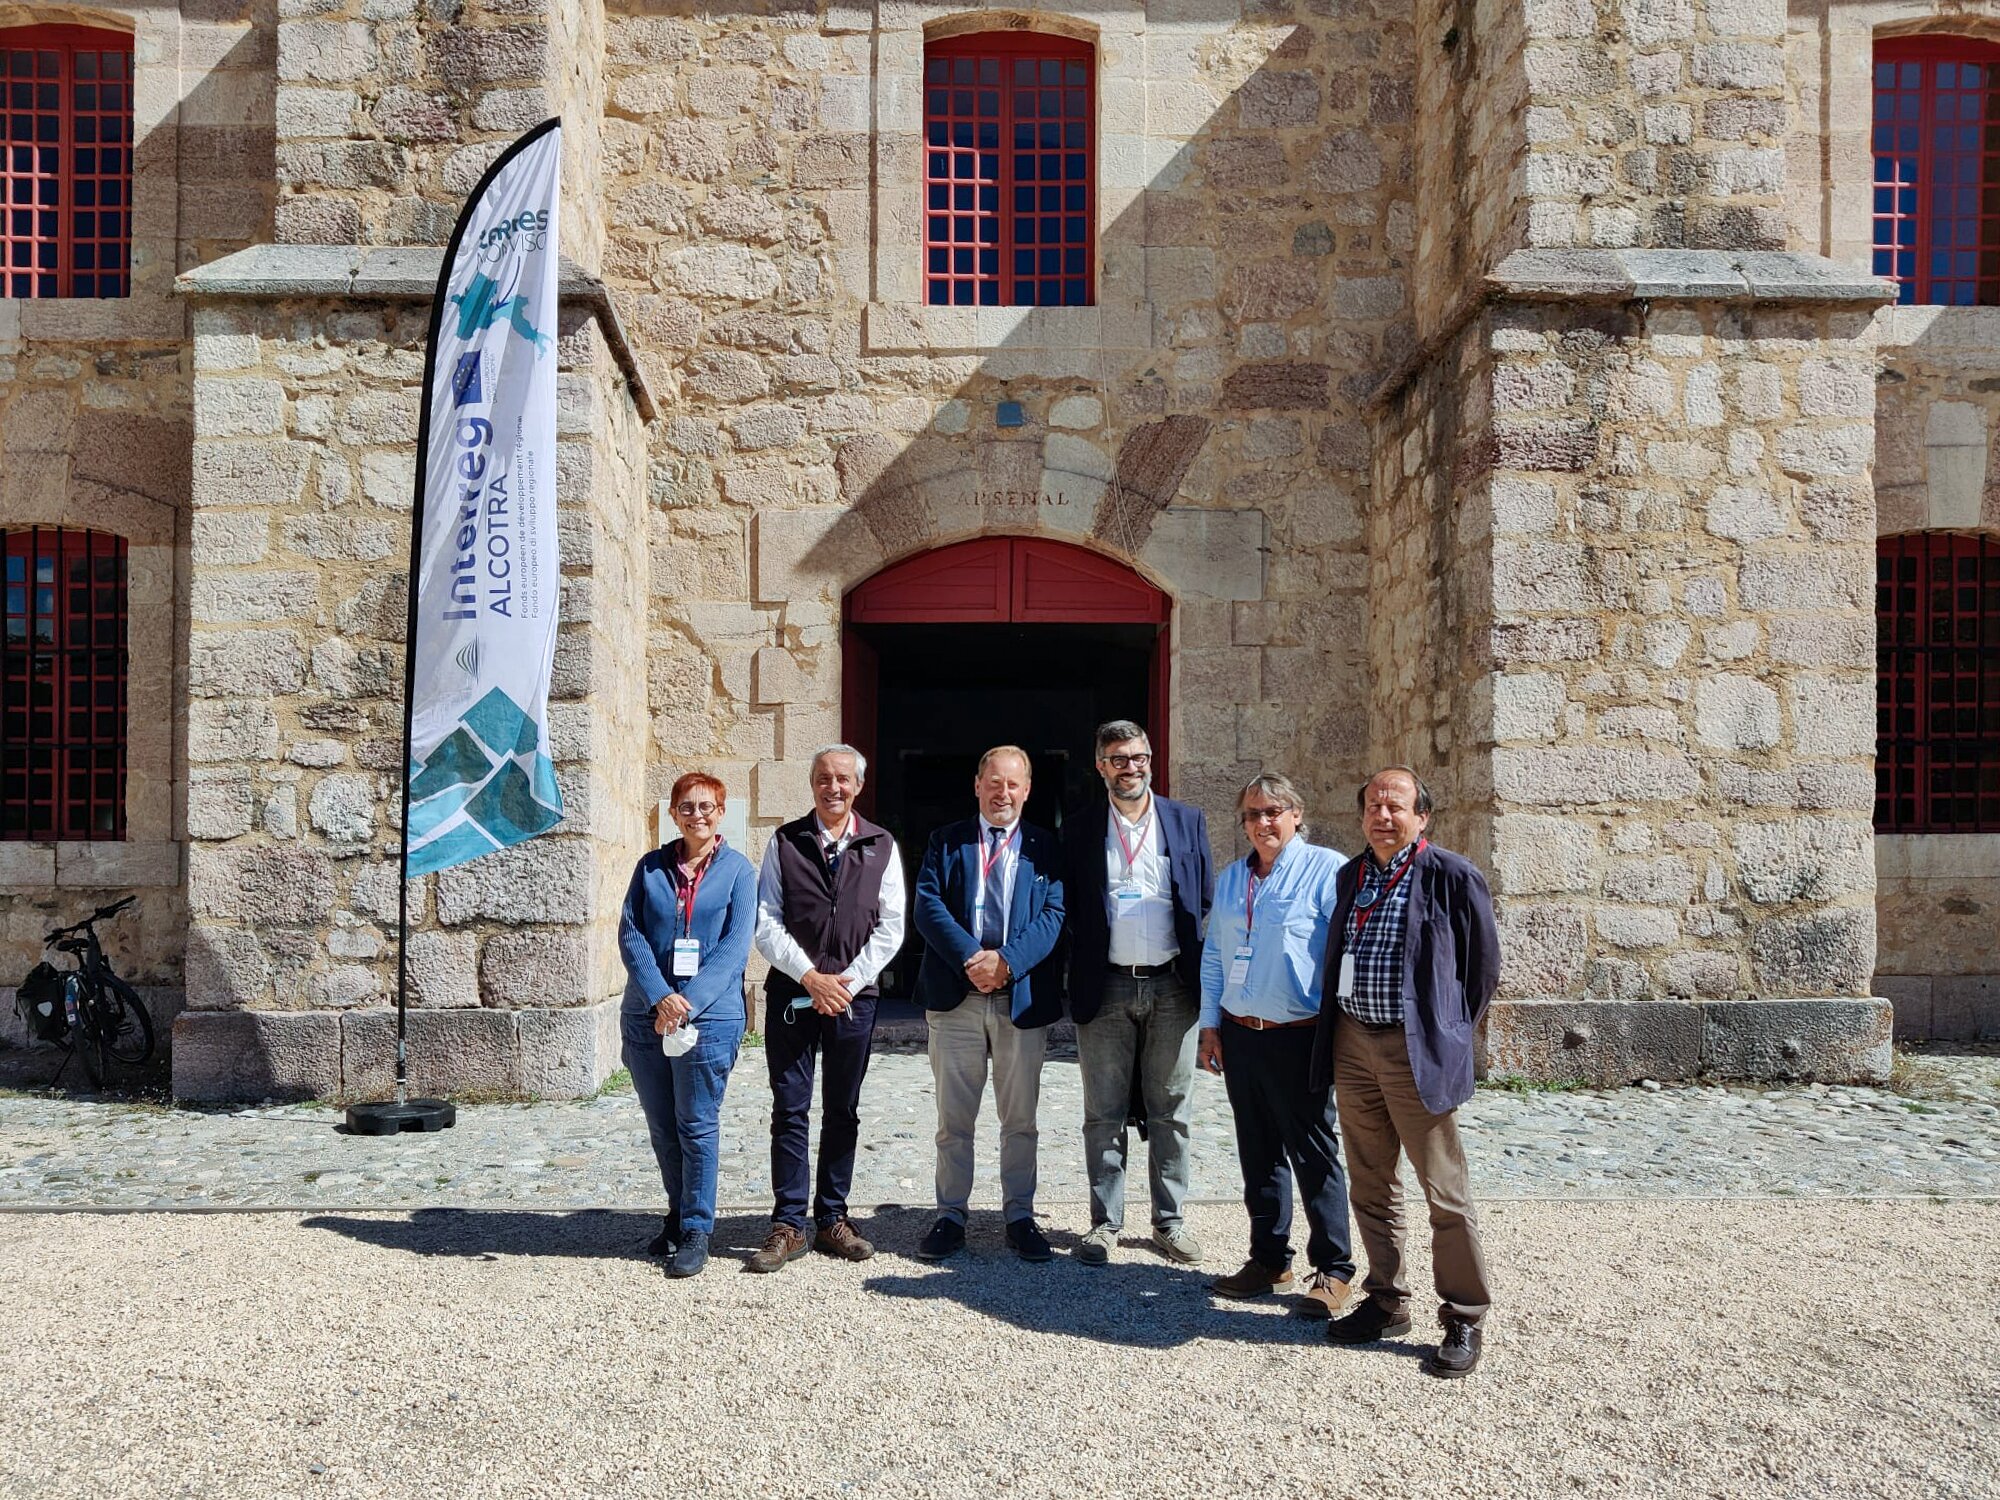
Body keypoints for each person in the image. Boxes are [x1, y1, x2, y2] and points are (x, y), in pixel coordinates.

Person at [1312, 766, 1499, 1378]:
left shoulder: (1451, 875)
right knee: (1370, 1181)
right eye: (1372, 806)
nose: (1381, 816)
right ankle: (1386, 1301)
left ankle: (1464, 1315)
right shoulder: (1353, 875)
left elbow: (1481, 972)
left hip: (1412, 1052)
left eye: (1395, 806)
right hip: (1352, 1045)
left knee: (1443, 1188)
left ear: (1423, 816)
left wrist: (1443, 1032)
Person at [1197, 772, 1356, 1318]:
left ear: (1295, 814)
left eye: (1273, 812)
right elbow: (1215, 957)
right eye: (1252, 815)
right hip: (1241, 1035)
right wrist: (1209, 1025)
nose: (1262, 823)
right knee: (1258, 1152)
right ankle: (1269, 1259)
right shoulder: (1231, 880)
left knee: (1313, 1153)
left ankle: (1334, 1268)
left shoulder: (1327, 870)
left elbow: (1344, 953)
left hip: (1299, 1037)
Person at [748, 744, 906, 1272]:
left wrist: (848, 982)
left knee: (843, 1109)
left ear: (858, 786)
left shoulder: (881, 844)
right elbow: (766, 918)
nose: (832, 787)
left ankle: (832, 1217)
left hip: (853, 1000)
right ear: (811, 783)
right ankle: (789, 1223)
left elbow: (891, 925)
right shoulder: (785, 841)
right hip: (793, 996)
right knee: (789, 1109)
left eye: (842, 779)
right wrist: (811, 976)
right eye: (823, 778)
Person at [1062, 719, 1213, 1267]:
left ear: (1151, 760)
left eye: (1139, 757)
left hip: (1172, 984)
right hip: (1104, 986)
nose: (1131, 767)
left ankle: (1169, 1222)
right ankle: (1105, 1225)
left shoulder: (1186, 821)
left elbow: (1204, 903)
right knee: (1102, 1111)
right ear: (1101, 766)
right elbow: (1070, 909)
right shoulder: (1078, 829)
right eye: (1119, 759)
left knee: (1172, 1109)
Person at [910, 745, 1066, 1262]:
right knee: (954, 1118)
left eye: (1013, 784)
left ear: (1027, 789)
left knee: (1020, 1119)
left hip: (1019, 999)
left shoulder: (1047, 846)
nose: (1003, 793)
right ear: (977, 785)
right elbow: (928, 905)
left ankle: (1019, 1216)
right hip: (957, 1000)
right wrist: (972, 959)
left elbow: (1054, 915)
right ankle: (950, 1215)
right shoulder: (946, 841)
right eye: (993, 783)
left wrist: (1007, 962)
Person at [618, 770, 758, 1279]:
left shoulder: (740, 871)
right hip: (646, 1016)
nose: (696, 815)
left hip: (710, 1019)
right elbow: (631, 935)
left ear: (721, 813)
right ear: (673, 813)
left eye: (706, 806)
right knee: (663, 1127)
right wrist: (660, 997)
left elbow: (733, 948)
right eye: (686, 807)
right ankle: (677, 1216)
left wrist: (686, 1001)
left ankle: (699, 1228)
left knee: (696, 1125)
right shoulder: (651, 868)